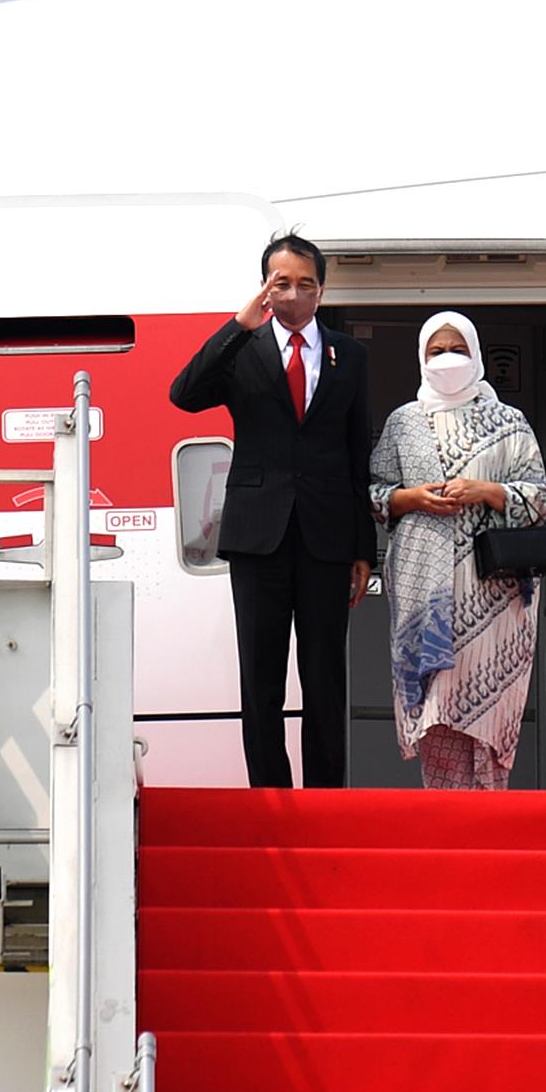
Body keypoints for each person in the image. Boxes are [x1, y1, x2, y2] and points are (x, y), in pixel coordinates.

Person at [168, 233, 377, 788]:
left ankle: (325, 800)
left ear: (321, 290)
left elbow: (358, 452)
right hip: (257, 537)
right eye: (281, 283)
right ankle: (270, 799)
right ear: (264, 287)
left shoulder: (349, 355)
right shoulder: (244, 350)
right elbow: (183, 394)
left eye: (305, 284)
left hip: (327, 538)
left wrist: (364, 548)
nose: (293, 294)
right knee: (261, 678)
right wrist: (239, 326)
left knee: (325, 677)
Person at [369, 312, 546, 789]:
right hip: (423, 592)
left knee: (489, 707)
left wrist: (487, 491)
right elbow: (372, 493)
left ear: (475, 356)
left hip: (492, 597)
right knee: (436, 709)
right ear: (421, 357)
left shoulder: (509, 421)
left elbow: (542, 498)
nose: (447, 359)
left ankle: (487, 816)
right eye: (437, 351)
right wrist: (411, 498)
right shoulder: (403, 423)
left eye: (458, 350)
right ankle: (446, 816)